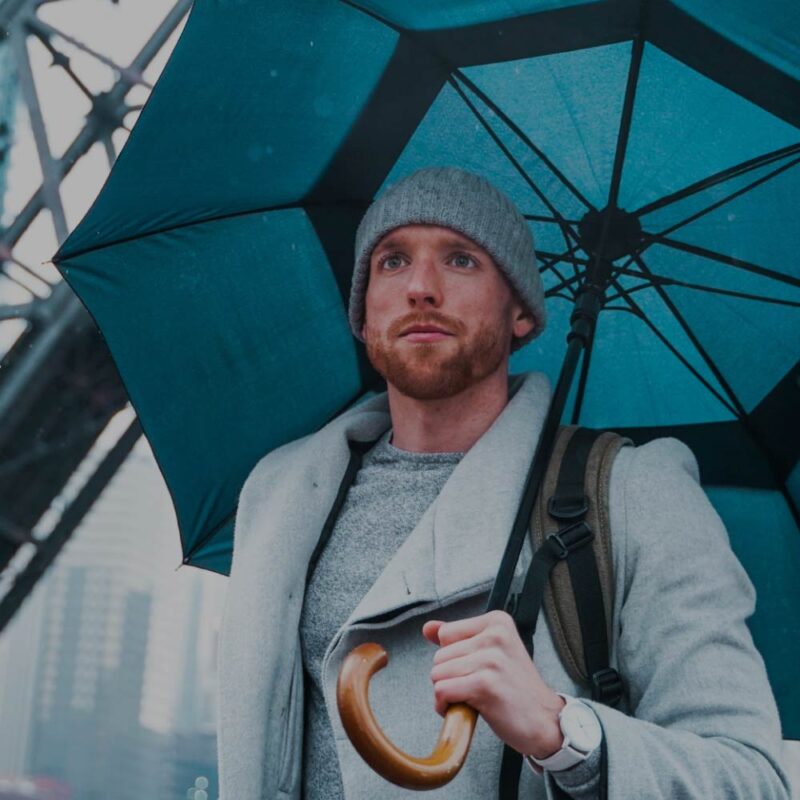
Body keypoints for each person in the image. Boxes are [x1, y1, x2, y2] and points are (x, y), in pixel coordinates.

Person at [216, 166, 791, 800]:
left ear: (521, 312)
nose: (421, 288)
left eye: (461, 260)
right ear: (363, 312)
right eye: (392, 261)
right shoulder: (281, 497)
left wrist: (562, 732)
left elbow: (750, 780)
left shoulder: (632, 497)